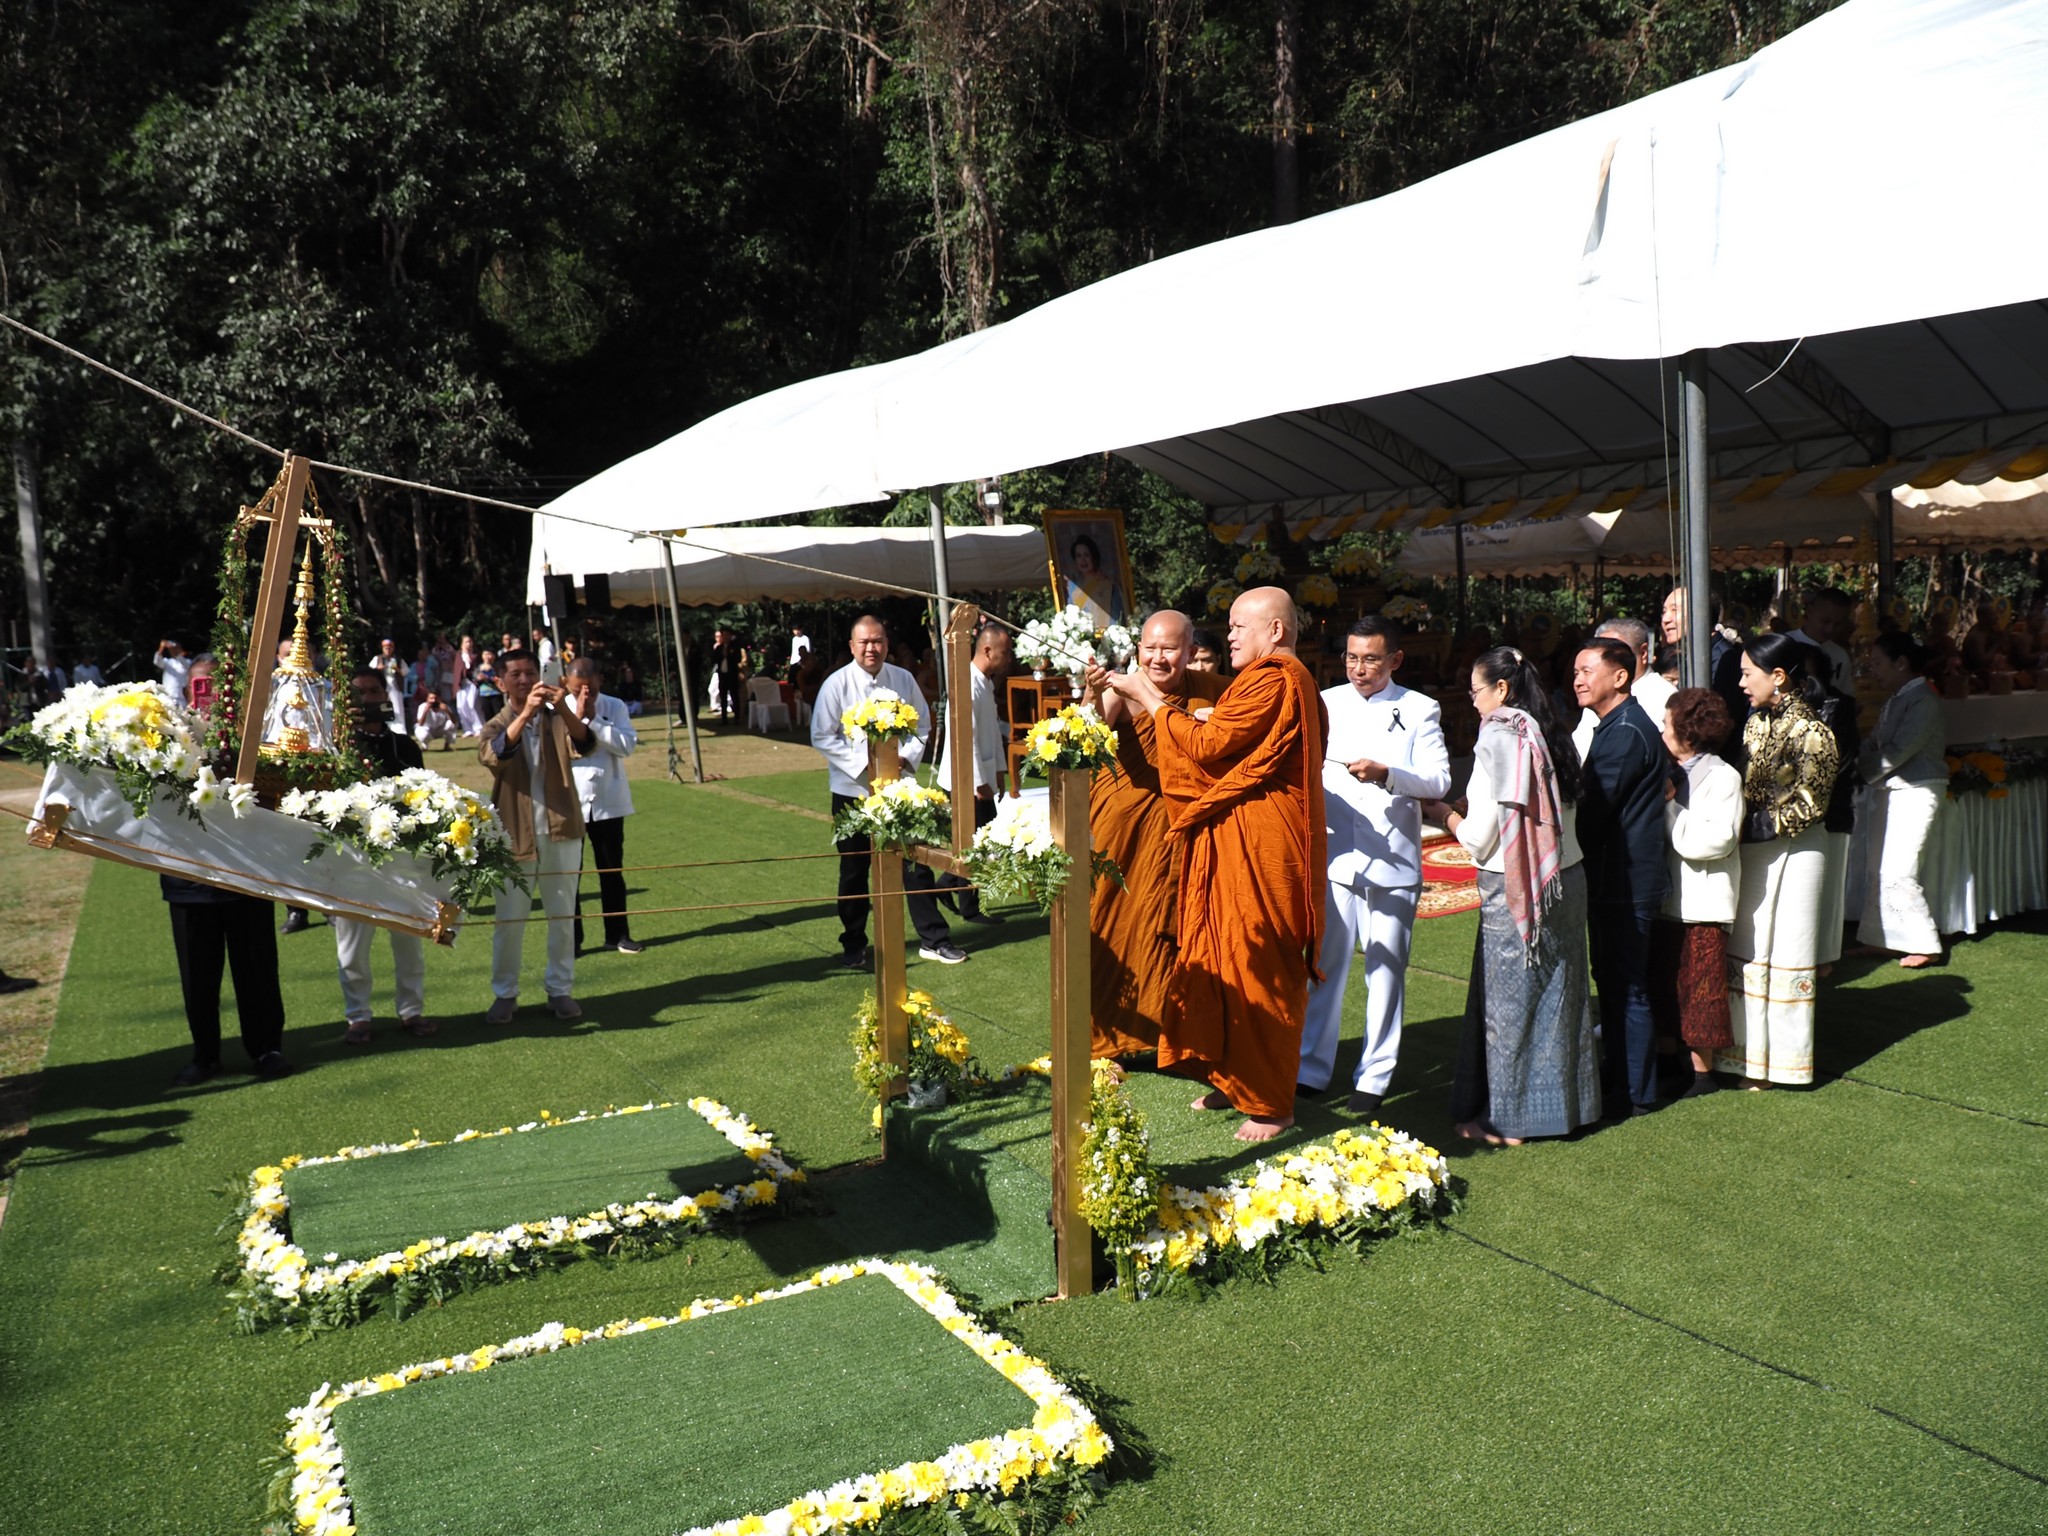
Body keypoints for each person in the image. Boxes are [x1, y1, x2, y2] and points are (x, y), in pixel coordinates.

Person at [1100, 586, 1326, 1142]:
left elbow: (1209, 745)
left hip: (1265, 847)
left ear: (1274, 630)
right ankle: (1234, 1079)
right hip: (1236, 838)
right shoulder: (1260, 681)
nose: (1227, 636)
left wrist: (1153, 702)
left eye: (1237, 627)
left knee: (1258, 964)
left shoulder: (1278, 677)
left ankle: (1274, 1104)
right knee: (1223, 960)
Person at [1423, 647, 1598, 1143]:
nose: (1473, 701)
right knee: (1562, 998)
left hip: (1516, 884)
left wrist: (1441, 813)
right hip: (1567, 876)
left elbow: (1479, 839)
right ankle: (1569, 1110)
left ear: (1501, 690)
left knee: (1510, 1008)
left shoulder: (1499, 737)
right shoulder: (1553, 731)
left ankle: (1511, 1122)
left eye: (1476, 690)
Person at [1299, 615, 1451, 1115]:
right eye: (1351, 657)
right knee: (1324, 968)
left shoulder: (1420, 707)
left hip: (1393, 859)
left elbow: (1438, 781)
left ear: (1394, 660)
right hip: (1336, 853)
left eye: (1370, 659)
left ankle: (1375, 1076)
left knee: (1385, 974)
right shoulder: (1325, 701)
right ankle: (1311, 1068)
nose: (1358, 668)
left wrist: (1389, 775)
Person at [1084, 611, 1230, 1059]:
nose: (1158, 658)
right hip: (1124, 822)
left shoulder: (1210, 690)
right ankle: (1102, 1036)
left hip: (1178, 822)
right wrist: (1092, 692)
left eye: (1169, 649)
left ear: (1190, 653)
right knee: (1110, 914)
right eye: (1150, 648)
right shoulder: (1125, 690)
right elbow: (1090, 730)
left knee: (1166, 924)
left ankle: (1161, 1034)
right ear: (1138, 650)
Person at [1719, 632, 1840, 1089]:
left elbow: (1809, 806)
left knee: (1787, 950)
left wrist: (1742, 828)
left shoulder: (1813, 732)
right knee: (1749, 948)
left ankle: (1785, 1064)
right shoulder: (1755, 723)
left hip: (1797, 851)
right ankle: (1744, 1057)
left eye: (1748, 674)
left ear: (1779, 676)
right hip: (1755, 849)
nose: (1742, 683)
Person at [811, 616, 967, 968]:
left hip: (899, 790)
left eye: (878, 641)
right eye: (864, 642)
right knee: (853, 870)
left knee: (916, 863)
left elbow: (923, 725)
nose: (872, 648)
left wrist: (903, 759)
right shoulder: (836, 684)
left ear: (887, 644)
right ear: (852, 646)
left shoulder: (903, 678)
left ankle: (934, 939)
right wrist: (864, 767)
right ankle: (853, 945)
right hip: (852, 791)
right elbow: (822, 735)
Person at [1571, 635, 1673, 1112]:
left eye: (1587, 670)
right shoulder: (1616, 726)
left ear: (1620, 676)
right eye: (1575, 671)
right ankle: (1620, 1078)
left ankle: (1637, 1091)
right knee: (1612, 980)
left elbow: (1596, 809)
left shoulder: (1627, 730)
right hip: (1616, 876)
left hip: (1624, 879)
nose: (1578, 680)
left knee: (1627, 983)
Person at [480, 647, 591, 1022]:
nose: (526, 680)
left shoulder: (556, 717)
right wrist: (525, 712)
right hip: (514, 834)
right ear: (500, 682)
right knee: (510, 920)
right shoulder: (496, 723)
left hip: (563, 829)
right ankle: (505, 993)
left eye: (530, 673)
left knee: (562, 916)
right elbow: (495, 755)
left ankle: (560, 989)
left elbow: (586, 743)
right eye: (516, 675)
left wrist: (561, 706)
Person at [1650, 688, 1742, 1095]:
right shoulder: (1669, 771)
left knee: (1700, 989)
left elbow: (1716, 841)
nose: (1662, 730)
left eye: (1667, 723)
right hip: (1669, 897)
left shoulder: (1724, 777)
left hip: (1703, 901)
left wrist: (1671, 809)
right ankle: (1668, 1058)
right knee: (1665, 983)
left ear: (1687, 731)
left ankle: (1702, 1073)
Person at [333, 669, 431, 1043]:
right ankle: (358, 1017)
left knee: (408, 939)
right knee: (353, 946)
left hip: (402, 855)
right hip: (354, 860)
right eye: (361, 693)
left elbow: (424, 796)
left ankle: (412, 1011)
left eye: (376, 691)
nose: (370, 699)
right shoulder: (339, 747)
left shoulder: (405, 746)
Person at [1851, 632, 1946, 968]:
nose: (1872, 669)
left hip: (1918, 789)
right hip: (1891, 790)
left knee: (1899, 867)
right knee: (1879, 865)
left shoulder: (1923, 698)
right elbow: (1878, 744)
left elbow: (1899, 750)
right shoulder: (1900, 696)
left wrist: (1855, 770)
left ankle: (1926, 943)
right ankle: (1884, 939)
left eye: (1877, 662)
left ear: (1901, 663)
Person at [160, 875, 291, 1085]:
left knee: (257, 967)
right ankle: (205, 1055)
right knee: (197, 976)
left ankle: (267, 1050)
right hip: (187, 884)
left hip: (247, 878)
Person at [566, 658, 644, 956]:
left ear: (600, 680)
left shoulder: (615, 706)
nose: (584, 696)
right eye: (576, 690)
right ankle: (572, 940)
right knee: (570, 873)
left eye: (591, 690)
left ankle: (618, 934)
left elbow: (626, 746)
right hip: (570, 801)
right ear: (566, 683)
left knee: (611, 871)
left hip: (608, 801)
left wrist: (595, 719)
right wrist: (576, 715)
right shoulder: (557, 707)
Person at [937, 621, 1012, 925]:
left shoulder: (985, 681)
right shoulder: (966, 682)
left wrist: (999, 772)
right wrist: (979, 781)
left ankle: (952, 890)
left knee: (978, 842)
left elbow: (992, 733)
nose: (1008, 659)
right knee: (975, 842)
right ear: (987, 649)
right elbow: (963, 737)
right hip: (963, 779)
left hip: (980, 775)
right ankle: (948, 889)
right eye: (1005, 653)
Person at [1571, 617, 1672, 760]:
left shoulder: (1662, 697)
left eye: (1611, 651)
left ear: (1643, 653)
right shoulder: (1598, 697)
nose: (1579, 682)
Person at [1660, 582, 1747, 736]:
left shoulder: (1724, 660)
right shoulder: (1692, 655)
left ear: (1700, 613)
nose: (1666, 619)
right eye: (1664, 611)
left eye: (1675, 610)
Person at [1780, 587, 1854, 696]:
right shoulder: (1783, 645)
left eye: (1838, 624)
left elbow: (1845, 695)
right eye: (1825, 621)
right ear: (1809, 611)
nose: (1830, 629)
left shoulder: (1841, 656)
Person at [1063, 534, 1125, 628]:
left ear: (1094, 557)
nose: (1083, 560)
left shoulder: (1107, 584)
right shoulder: (1072, 586)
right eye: (1078, 556)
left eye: (1086, 555)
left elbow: (1117, 618)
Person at [453, 634, 483, 735]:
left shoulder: (475, 655)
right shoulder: (458, 655)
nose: (468, 644)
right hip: (461, 684)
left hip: (471, 683)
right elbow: (457, 670)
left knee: (472, 704)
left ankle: (478, 727)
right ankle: (467, 729)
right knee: (461, 706)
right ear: (462, 644)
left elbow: (477, 668)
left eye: (470, 641)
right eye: (466, 641)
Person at [370, 637, 405, 721]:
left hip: (395, 687)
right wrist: (378, 669)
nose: (388, 650)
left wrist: (397, 669)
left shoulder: (398, 660)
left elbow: (405, 672)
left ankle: (399, 727)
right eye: (386, 648)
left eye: (390, 648)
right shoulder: (377, 658)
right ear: (382, 649)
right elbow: (370, 671)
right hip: (381, 686)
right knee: (382, 706)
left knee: (397, 706)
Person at [711, 628, 742, 719]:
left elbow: (738, 659)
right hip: (722, 675)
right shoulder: (719, 648)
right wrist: (722, 655)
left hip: (732, 674)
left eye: (727, 635)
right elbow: (714, 659)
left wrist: (728, 655)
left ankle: (737, 717)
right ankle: (724, 718)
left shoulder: (735, 647)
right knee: (723, 696)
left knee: (734, 695)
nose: (725, 637)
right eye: (723, 635)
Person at [154, 638, 191, 703]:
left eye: (177, 648)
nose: (173, 650)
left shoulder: (188, 662)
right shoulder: (168, 662)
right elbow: (157, 661)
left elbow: (185, 665)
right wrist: (161, 647)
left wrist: (176, 652)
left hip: (181, 698)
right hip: (168, 696)